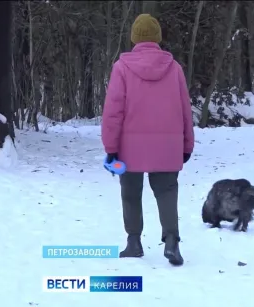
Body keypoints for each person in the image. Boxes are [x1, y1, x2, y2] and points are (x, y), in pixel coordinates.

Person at [101, 13, 195, 266]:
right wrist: (187, 144)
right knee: (166, 191)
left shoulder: (121, 68)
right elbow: (185, 109)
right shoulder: (174, 69)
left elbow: (113, 111)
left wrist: (111, 147)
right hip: (167, 146)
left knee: (130, 192)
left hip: (128, 147)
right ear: (158, 39)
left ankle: (133, 242)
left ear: (134, 38)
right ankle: (172, 241)